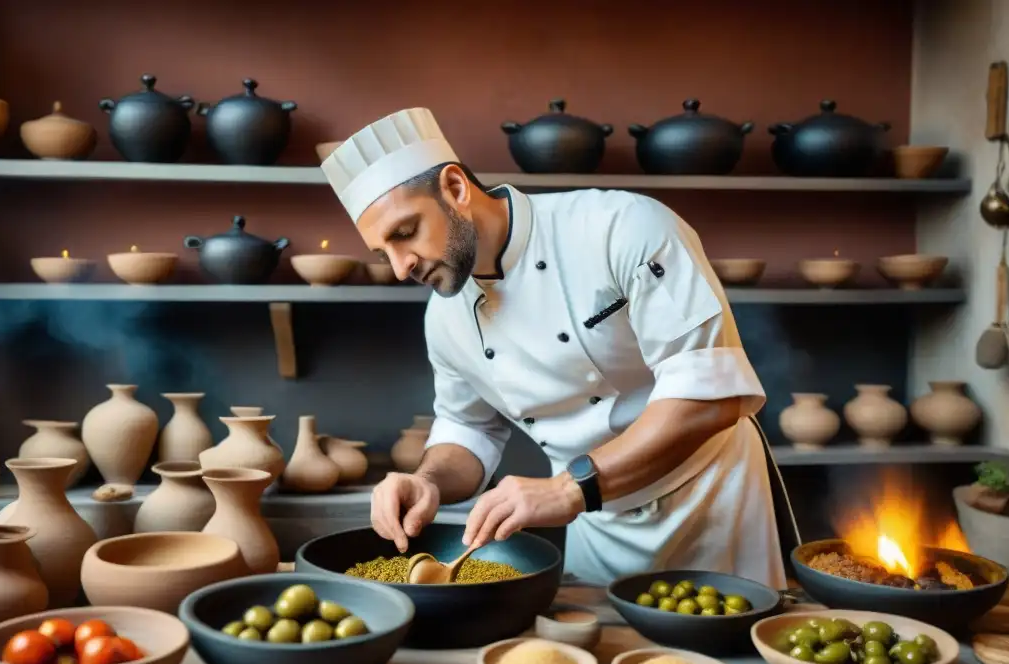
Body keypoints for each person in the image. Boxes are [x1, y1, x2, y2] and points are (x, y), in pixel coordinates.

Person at [321, 108, 790, 588]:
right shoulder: (444, 318)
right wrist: (428, 482)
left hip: (713, 500)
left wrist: (569, 488)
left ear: (456, 189)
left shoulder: (622, 227)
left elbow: (708, 398)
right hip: (597, 521)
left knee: (731, 655)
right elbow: (467, 427)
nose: (401, 268)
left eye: (405, 233)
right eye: (384, 253)